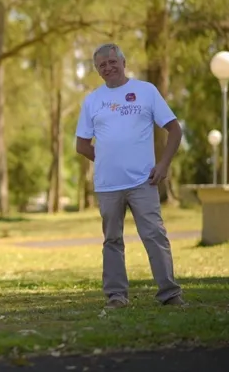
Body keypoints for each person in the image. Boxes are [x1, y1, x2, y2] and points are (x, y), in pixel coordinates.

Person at [74, 43, 185, 308]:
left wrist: (163, 165)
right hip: (107, 186)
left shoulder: (146, 91)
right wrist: (108, 160)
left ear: (123, 62)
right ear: (98, 71)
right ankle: (116, 296)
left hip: (143, 182)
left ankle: (170, 294)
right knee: (112, 241)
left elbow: (174, 130)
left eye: (113, 62)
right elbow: (81, 145)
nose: (109, 67)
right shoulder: (92, 100)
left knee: (154, 236)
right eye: (102, 65)